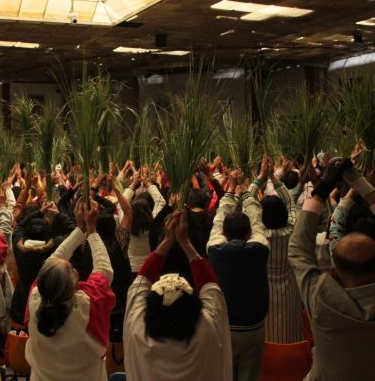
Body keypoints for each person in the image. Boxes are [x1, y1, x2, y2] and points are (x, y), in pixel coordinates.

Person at [288, 157, 375, 380]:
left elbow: (298, 249)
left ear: (334, 273)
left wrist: (322, 189)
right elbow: (299, 250)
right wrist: (361, 184)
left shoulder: (322, 298)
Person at [124, 209, 232, 381]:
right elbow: (210, 286)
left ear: (149, 309)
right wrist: (185, 243)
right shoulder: (207, 331)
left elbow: (140, 282)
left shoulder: (138, 332)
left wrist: (167, 240)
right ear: (196, 308)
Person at [25, 198, 115, 381]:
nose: (75, 270)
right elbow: (104, 270)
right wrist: (91, 230)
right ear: (73, 289)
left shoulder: (36, 299)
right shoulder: (85, 308)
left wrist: (80, 229)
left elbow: (52, 262)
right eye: (73, 271)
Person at [207, 170, 269, 381]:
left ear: (223, 233)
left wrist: (232, 189)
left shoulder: (214, 250)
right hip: (253, 327)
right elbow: (256, 218)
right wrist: (245, 192)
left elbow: (219, 219)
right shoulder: (260, 249)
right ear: (249, 233)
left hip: (224, 327)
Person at [251, 156, 304, 343]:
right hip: (289, 292)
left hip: (263, 293)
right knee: (290, 333)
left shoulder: (257, 235)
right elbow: (289, 201)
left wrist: (260, 177)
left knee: (269, 336)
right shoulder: (291, 230)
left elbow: (247, 202)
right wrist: (273, 177)